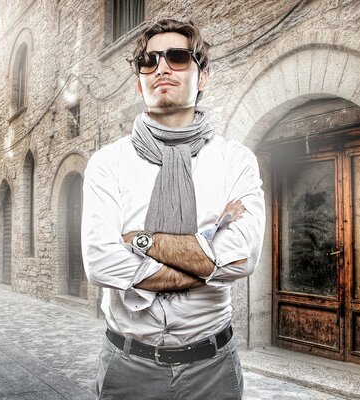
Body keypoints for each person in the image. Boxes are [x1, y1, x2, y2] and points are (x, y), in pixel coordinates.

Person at [81, 18, 265, 400]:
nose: (161, 67)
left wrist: (141, 241)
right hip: (127, 367)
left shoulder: (235, 160)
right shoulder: (107, 162)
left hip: (212, 369)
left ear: (203, 77)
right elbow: (100, 261)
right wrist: (205, 259)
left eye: (178, 57)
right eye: (149, 61)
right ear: (139, 82)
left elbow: (243, 257)